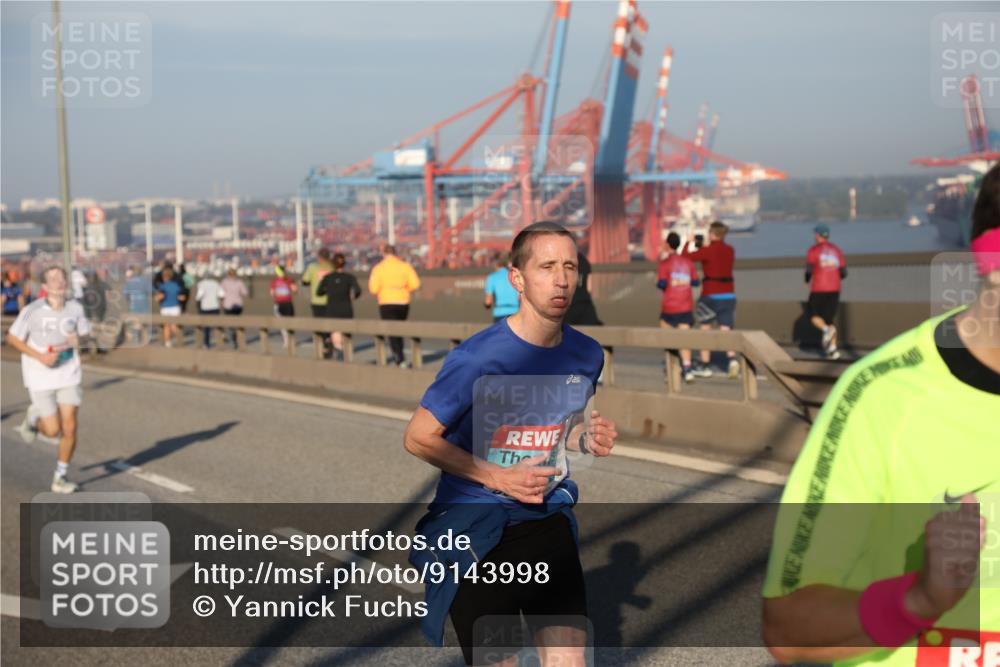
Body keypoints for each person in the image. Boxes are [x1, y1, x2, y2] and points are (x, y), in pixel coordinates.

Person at [761, 162, 1000, 667]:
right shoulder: (882, 396)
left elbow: (815, 276)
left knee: (819, 309)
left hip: (820, 295)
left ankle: (823, 329)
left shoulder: (815, 251)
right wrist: (919, 602)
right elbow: (787, 630)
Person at [404, 221, 619, 666]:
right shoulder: (478, 358)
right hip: (476, 532)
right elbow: (419, 437)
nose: (561, 279)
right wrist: (498, 476)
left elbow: (557, 427)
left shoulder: (588, 354)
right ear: (517, 279)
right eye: (546, 267)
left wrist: (584, 437)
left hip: (547, 521)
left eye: (570, 267)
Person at [7, 266, 91, 493]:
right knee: (53, 431)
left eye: (62, 278)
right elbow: (12, 339)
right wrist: (41, 356)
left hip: (68, 373)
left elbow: (85, 335)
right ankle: (34, 417)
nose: (59, 282)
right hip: (40, 375)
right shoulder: (33, 310)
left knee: (70, 427)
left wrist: (79, 340)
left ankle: (60, 477)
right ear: (44, 287)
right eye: (53, 279)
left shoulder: (75, 308)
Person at [684, 220, 738, 378]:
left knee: (705, 328)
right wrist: (706, 246)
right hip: (729, 294)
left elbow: (687, 257)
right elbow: (717, 259)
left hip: (709, 294)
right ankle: (732, 359)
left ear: (712, 234)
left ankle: (705, 364)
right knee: (726, 328)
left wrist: (689, 243)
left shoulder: (707, 250)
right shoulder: (730, 250)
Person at [656, 232, 699, 383]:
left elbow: (661, 284)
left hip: (669, 307)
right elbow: (695, 283)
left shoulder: (664, 263)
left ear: (668, 245)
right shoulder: (688, 262)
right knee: (684, 340)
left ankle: (670, 370)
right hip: (685, 306)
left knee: (668, 340)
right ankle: (687, 369)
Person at [369, 244, 421, 367]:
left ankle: (399, 357)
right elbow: (415, 284)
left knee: (391, 331)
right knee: (399, 329)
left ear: (384, 254)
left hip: (386, 302)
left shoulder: (379, 268)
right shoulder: (405, 266)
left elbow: (373, 289)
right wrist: (404, 289)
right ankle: (400, 355)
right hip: (403, 302)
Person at [806, 223, 847, 359]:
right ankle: (833, 349)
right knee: (830, 320)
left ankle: (825, 330)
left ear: (817, 235)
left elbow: (809, 270)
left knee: (813, 316)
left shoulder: (813, 250)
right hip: (835, 289)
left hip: (819, 288)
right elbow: (844, 272)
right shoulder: (837, 250)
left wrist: (807, 280)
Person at [317, 253, 361, 360]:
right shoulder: (349, 277)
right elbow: (358, 291)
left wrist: (328, 289)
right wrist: (352, 296)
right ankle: (344, 355)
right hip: (346, 309)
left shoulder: (328, 278)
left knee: (335, 333)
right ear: (344, 264)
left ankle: (337, 353)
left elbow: (319, 292)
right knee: (346, 335)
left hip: (332, 310)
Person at [302, 248, 334, 358]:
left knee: (319, 324)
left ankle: (323, 345)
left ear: (319, 257)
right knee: (330, 323)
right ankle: (329, 339)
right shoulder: (332, 267)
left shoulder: (313, 268)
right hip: (331, 300)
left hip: (317, 300)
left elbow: (305, 281)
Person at [564, 246, 603, 326]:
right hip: (583, 306)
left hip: (567, 308)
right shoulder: (582, 260)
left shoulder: (559, 261)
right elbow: (588, 288)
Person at [483, 253, 520, 323]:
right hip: (516, 313)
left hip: (499, 313)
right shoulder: (514, 275)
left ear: (495, 264)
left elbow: (488, 301)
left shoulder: (492, 277)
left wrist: (486, 305)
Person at [155, 265, 185, 347]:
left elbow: (159, 297)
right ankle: (180, 341)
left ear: (164, 276)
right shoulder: (176, 285)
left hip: (165, 307)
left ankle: (168, 343)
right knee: (174, 326)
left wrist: (157, 297)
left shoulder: (162, 286)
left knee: (166, 326)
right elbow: (182, 297)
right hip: (175, 307)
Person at [269, 265, 297, 349]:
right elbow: (295, 290)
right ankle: (291, 340)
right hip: (288, 303)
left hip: (279, 303)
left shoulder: (274, 282)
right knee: (290, 322)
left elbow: (271, 293)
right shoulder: (289, 280)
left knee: (282, 324)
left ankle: (286, 341)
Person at [220, 268, 248, 349]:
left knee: (230, 324)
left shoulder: (224, 282)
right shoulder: (239, 282)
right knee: (237, 323)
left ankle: (234, 339)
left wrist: (222, 301)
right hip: (238, 305)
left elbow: (220, 293)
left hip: (227, 305)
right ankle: (238, 338)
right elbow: (245, 293)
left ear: (228, 274)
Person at [195, 273, 224, 348]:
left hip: (205, 307)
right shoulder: (216, 283)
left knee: (206, 327)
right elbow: (221, 294)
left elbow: (199, 296)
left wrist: (198, 304)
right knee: (217, 326)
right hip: (215, 307)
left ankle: (206, 343)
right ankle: (219, 343)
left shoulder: (201, 284)